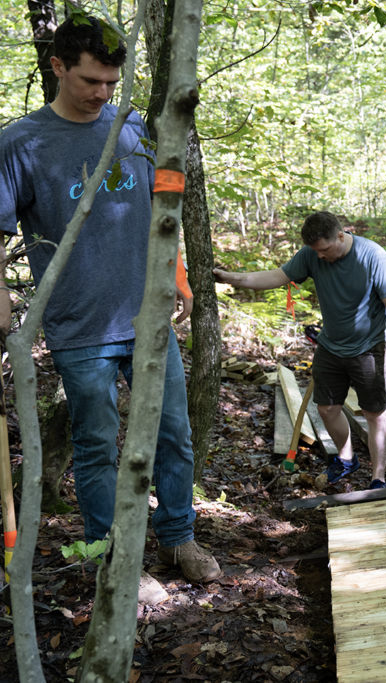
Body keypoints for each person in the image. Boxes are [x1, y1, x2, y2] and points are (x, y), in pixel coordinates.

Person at [0, 15, 221, 587]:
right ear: (57, 67)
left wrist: (180, 277)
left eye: (110, 83)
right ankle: (111, 560)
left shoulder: (131, 128)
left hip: (148, 319)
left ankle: (178, 540)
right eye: (90, 81)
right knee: (97, 446)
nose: (101, 94)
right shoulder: (21, 143)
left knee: (173, 433)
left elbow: (160, 208)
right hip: (80, 327)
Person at [214, 212, 386, 490]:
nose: (320, 257)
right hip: (331, 346)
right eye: (315, 252)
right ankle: (347, 459)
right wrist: (231, 278)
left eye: (325, 250)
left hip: (368, 346)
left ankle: (378, 478)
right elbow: (276, 276)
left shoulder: (372, 256)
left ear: (340, 236)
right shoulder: (311, 254)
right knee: (327, 408)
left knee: (374, 413)